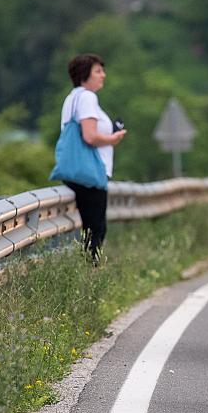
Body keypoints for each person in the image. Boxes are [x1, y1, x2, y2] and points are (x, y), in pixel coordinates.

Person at [61, 53, 126, 262]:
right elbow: (89, 136)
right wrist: (112, 138)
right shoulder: (88, 97)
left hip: (74, 170)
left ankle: (88, 274)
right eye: (98, 71)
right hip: (91, 172)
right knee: (96, 230)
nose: (103, 75)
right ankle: (91, 278)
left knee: (90, 230)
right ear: (84, 74)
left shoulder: (72, 97)